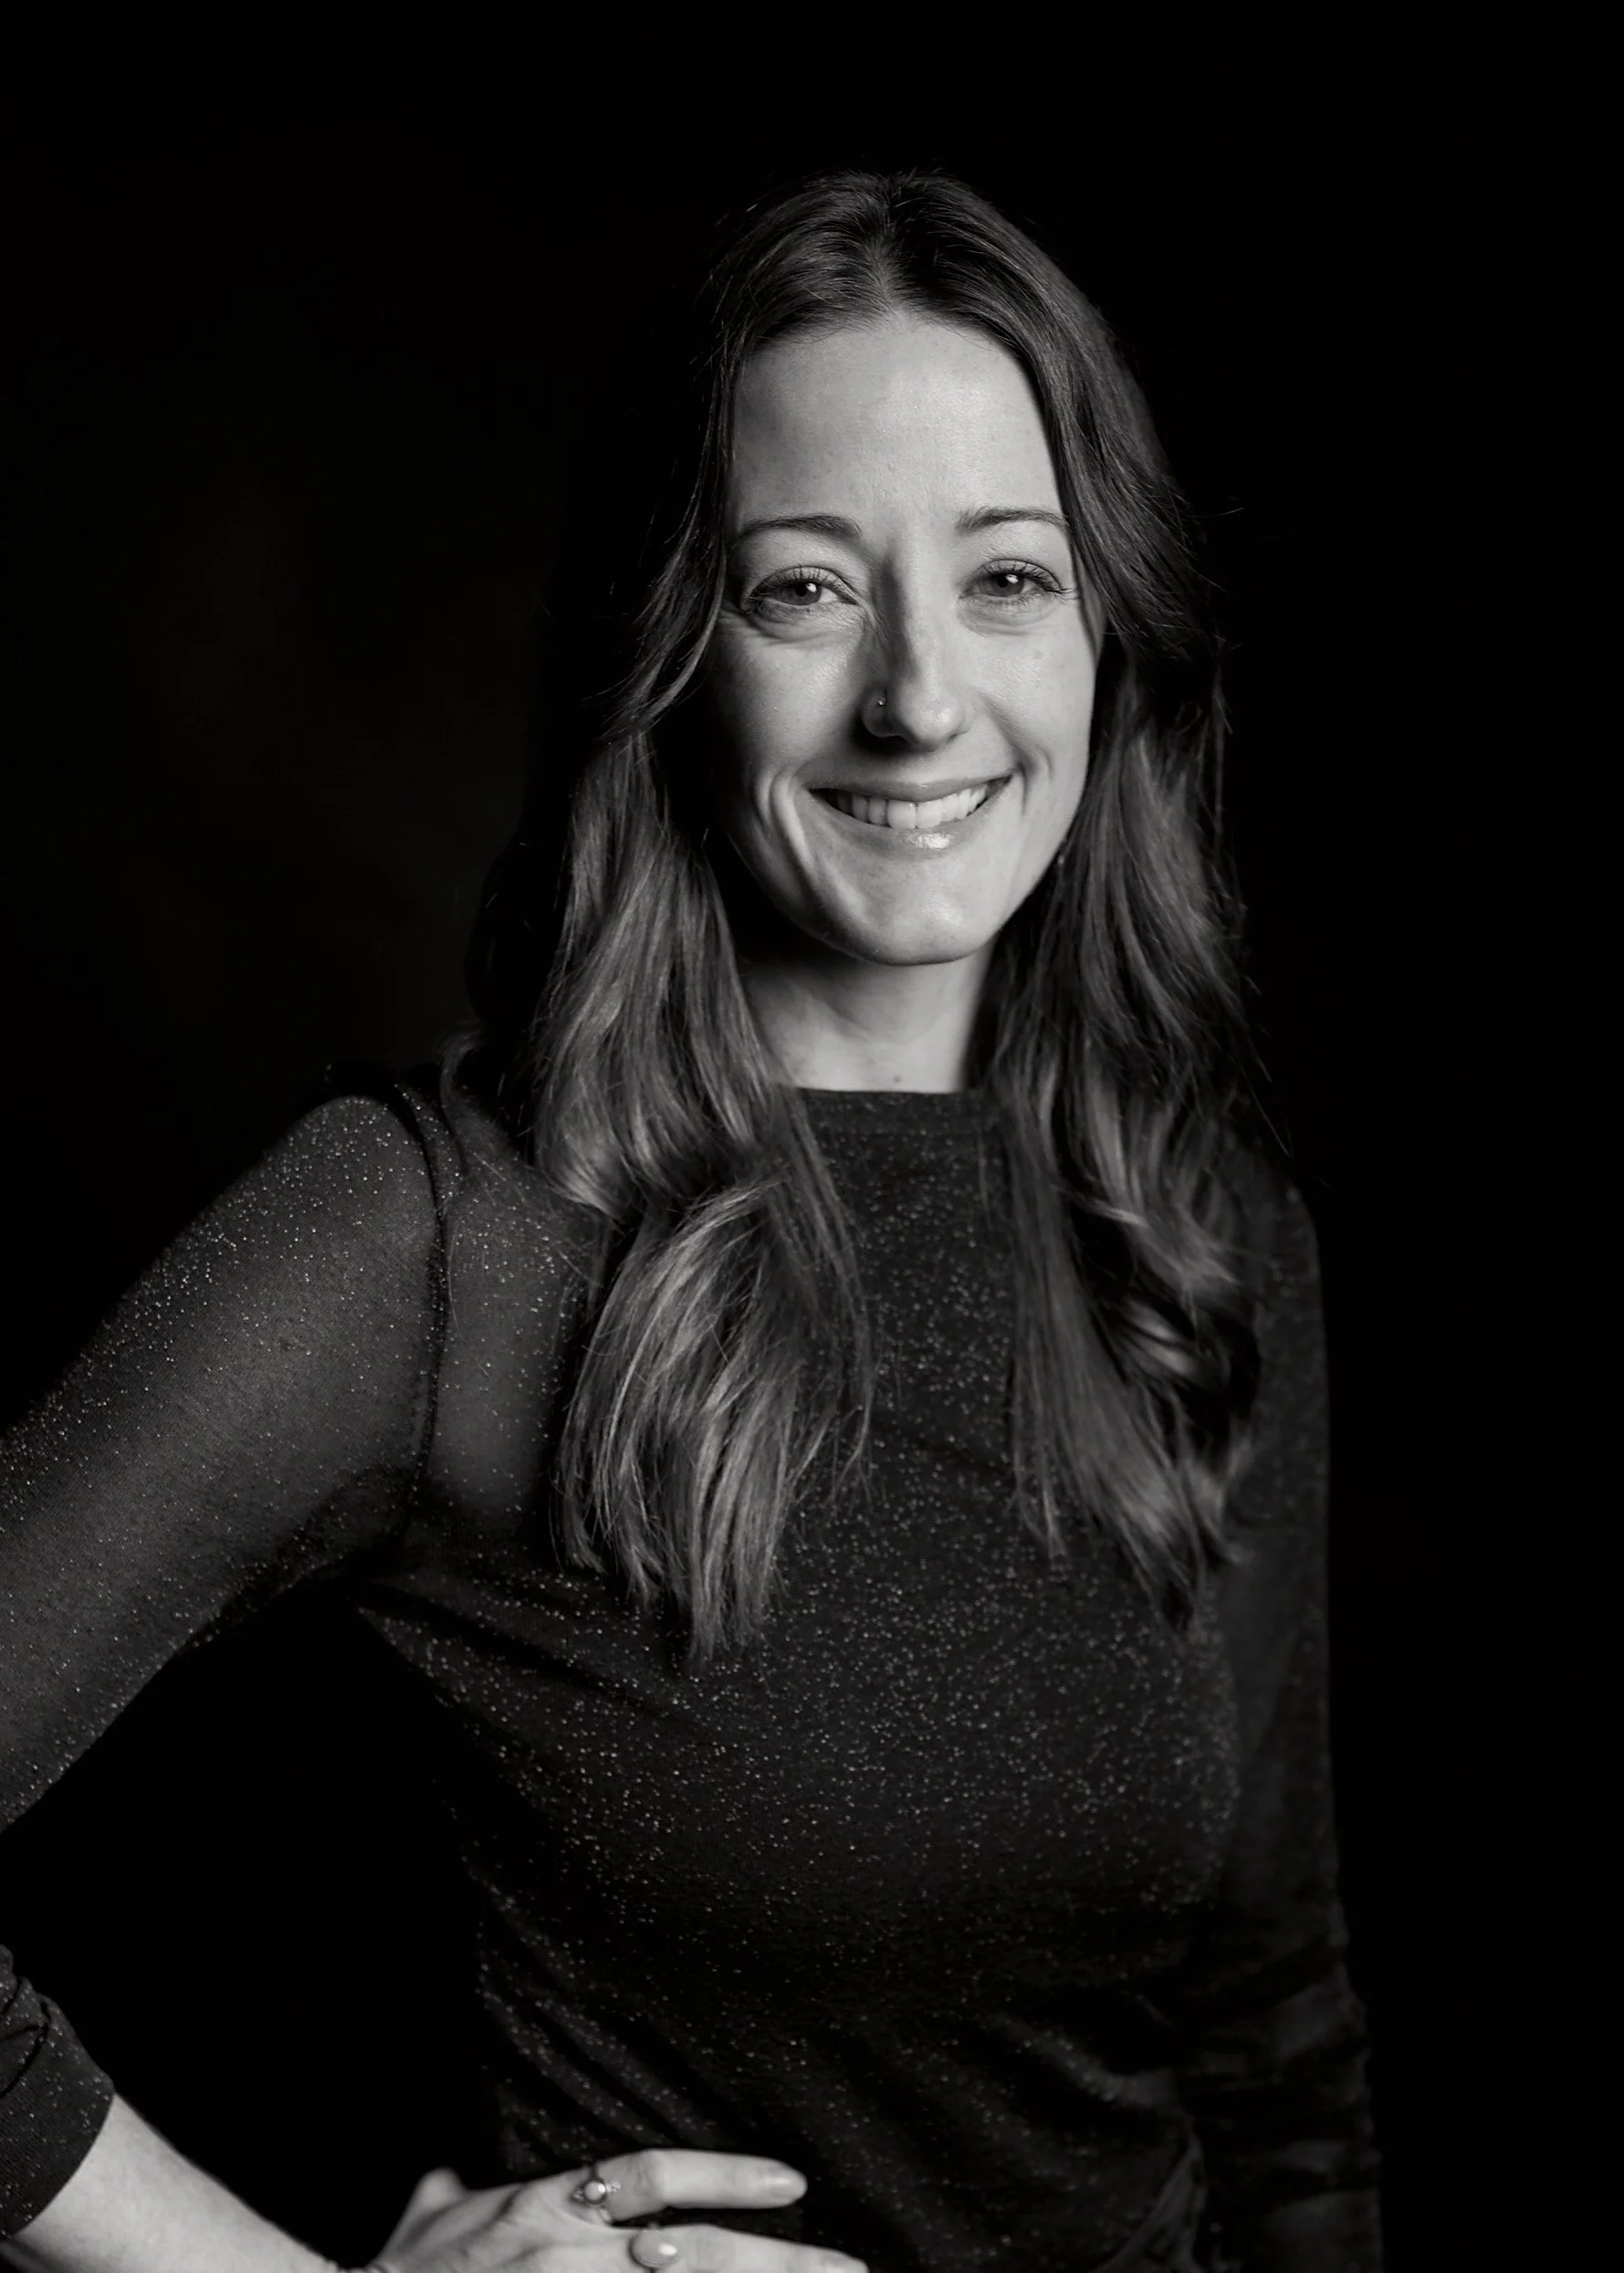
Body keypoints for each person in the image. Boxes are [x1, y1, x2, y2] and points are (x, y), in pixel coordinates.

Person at [0, 170, 1380, 2272]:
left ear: (1113, 633)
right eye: (805, 588)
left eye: (1006, 579)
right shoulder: (438, 1239)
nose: (920, 699)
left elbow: (1273, 2044)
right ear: (673, 654)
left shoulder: (1204, 1231)